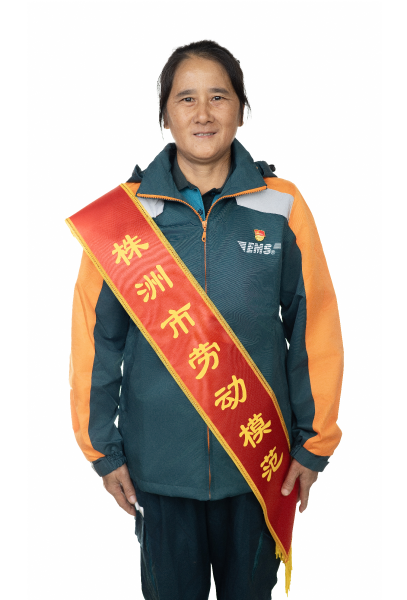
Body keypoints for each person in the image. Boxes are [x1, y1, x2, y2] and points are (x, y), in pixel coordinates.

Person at [67, 40, 344, 600]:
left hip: (257, 462)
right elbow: (97, 339)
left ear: (241, 108)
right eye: (186, 98)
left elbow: (313, 327)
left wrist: (313, 444)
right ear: (164, 114)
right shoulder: (124, 216)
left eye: (219, 97)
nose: (203, 113)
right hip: (158, 470)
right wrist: (102, 450)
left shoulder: (282, 205)